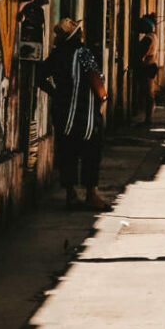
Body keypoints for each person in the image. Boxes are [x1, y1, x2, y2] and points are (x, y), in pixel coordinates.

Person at [37, 17, 109, 211]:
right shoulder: (83, 52)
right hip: (85, 116)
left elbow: (42, 77)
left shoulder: (56, 54)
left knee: (67, 153)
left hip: (62, 113)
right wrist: (103, 96)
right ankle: (91, 195)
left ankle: (71, 195)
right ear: (76, 35)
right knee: (91, 154)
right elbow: (95, 78)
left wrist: (56, 91)